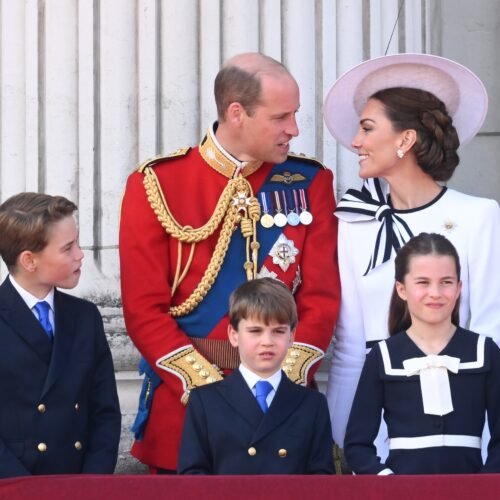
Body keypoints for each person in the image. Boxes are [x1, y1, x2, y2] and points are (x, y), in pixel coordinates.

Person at [119, 52, 340, 472]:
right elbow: (143, 311)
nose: (294, 129)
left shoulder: (310, 182)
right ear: (237, 113)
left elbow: (322, 298)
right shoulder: (157, 184)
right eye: (281, 117)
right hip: (188, 409)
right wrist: (213, 396)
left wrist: (279, 381)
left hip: (283, 407)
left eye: (294, 115)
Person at [322, 53, 500, 462]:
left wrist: (487, 443)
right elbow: (350, 344)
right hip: (376, 421)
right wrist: (345, 435)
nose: (355, 142)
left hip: (457, 421)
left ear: (405, 140)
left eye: (367, 129)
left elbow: (488, 334)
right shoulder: (354, 221)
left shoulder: (478, 215)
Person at [344, 233, 500, 474]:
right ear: (401, 289)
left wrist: (484, 486)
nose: (435, 293)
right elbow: (357, 446)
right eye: (423, 282)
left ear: (459, 288)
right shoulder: (382, 356)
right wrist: (388, 483)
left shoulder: (485, 351)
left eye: (446, 282)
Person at [0, 192, 121, 477]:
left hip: (76, 484)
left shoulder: (85, 317)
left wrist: (90, 485)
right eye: (68, 248)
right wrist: (20, 491)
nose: (80, 255)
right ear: (29, 260)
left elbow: (104, 412)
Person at [177, 277, 334, 474]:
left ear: (292, 336)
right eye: (255, 331)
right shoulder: (205, 401)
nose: (267, 341)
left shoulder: (312, 405)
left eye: (278, 331)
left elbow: (321, 483)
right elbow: (193, 478)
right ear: (234, 335)